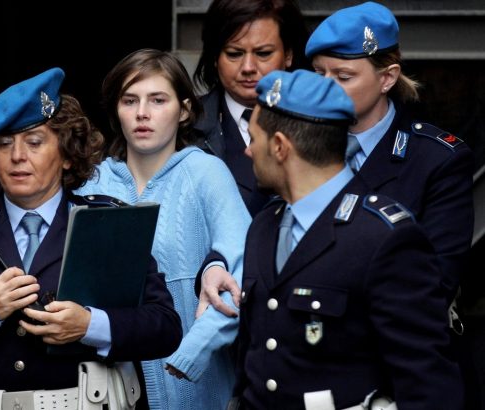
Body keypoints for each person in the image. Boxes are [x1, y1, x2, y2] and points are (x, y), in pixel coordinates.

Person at [0, 67, 183, 410]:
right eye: (4, 144)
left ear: (65, 155)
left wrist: (90, 325)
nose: (17, 156)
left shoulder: (108, 223)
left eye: (34, 142)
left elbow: (165, 327)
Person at [231, 68, 462, 409]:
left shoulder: (383, 239)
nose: (248, 152)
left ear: (280, 147)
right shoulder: (265, 225)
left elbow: (428, 386)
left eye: (254, 138)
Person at [305, 3, 477, 406]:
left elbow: (431, 285)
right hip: (312, 370)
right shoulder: (298, 147)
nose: (326, 88)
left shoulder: (436, 159)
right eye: (318, 74)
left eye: (343, 76)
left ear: (387, 78)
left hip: (399, 377)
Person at [75, 49, 251, 410]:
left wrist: (193, 351)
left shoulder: (206, 172)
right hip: (104, 391)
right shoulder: (89, 183)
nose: (142, 113)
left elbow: (242, 265)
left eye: (158, 100)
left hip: (198, 389)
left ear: (184, 109)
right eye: (130, 100)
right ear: (115, 110)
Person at [193, 0, 309, 218]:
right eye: (234, 53)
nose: (248, 68)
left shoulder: (324, 122)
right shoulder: (186, 127)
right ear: (215, 58)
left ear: (288, 55)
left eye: (263, 53)